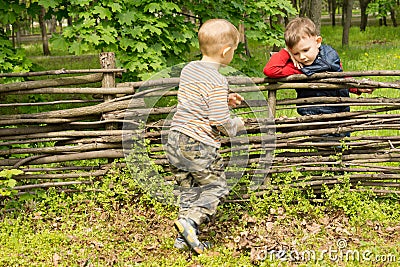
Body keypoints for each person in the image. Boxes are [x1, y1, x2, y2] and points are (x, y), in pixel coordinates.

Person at [164, 19, 245, 254]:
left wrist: (223, 100)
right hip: (197, 143)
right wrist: (235, 124)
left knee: (188, 190)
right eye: (234, 52)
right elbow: (218, 121)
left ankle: (184, 239)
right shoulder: (219, 80)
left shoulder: (189, 69)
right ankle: (190, 222)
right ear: (226, 51)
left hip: (175, 139)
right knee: (217, 186)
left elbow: (196, 99)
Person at [263, 17, 373, 134]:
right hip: (316, 117)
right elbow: (270, 70)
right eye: (296, 53)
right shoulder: (298, 67)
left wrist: (356, 87)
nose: (302, 57)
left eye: (306, 50)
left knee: (342, 144)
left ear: (318, 42)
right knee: (327, 147)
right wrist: (286, 52)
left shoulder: (330, 55)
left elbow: (339, 77)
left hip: (341, 111)